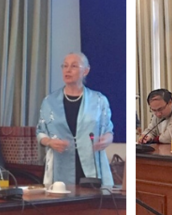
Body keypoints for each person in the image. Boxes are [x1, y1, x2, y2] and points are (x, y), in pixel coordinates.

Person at [37, 52, 114, 187]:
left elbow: (108, 130)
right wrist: (49, 142)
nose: (67, 70)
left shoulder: (99, 100)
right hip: (61, 162)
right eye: (65, 66)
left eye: (73, 66)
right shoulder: (49, 101)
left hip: (91, 163)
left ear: (86, 71)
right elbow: (40, 132)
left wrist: (106, 139)